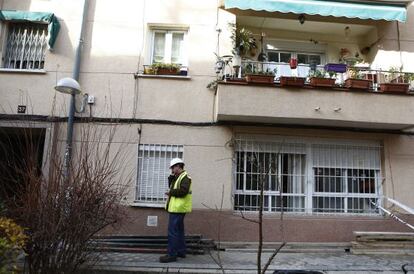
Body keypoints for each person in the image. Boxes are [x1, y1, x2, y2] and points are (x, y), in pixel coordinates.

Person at [159, 158, 192, 263]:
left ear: (179, 166)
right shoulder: (178, 177)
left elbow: (183, 191)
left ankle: (172, 255)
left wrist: (171, 193)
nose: (172, 169)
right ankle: (181, 252)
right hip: (177, 208)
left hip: (178, 209)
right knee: (179, 231)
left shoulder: (185, 177)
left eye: (173, 167)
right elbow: (172, 186)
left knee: (172, 232)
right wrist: (171, 177)